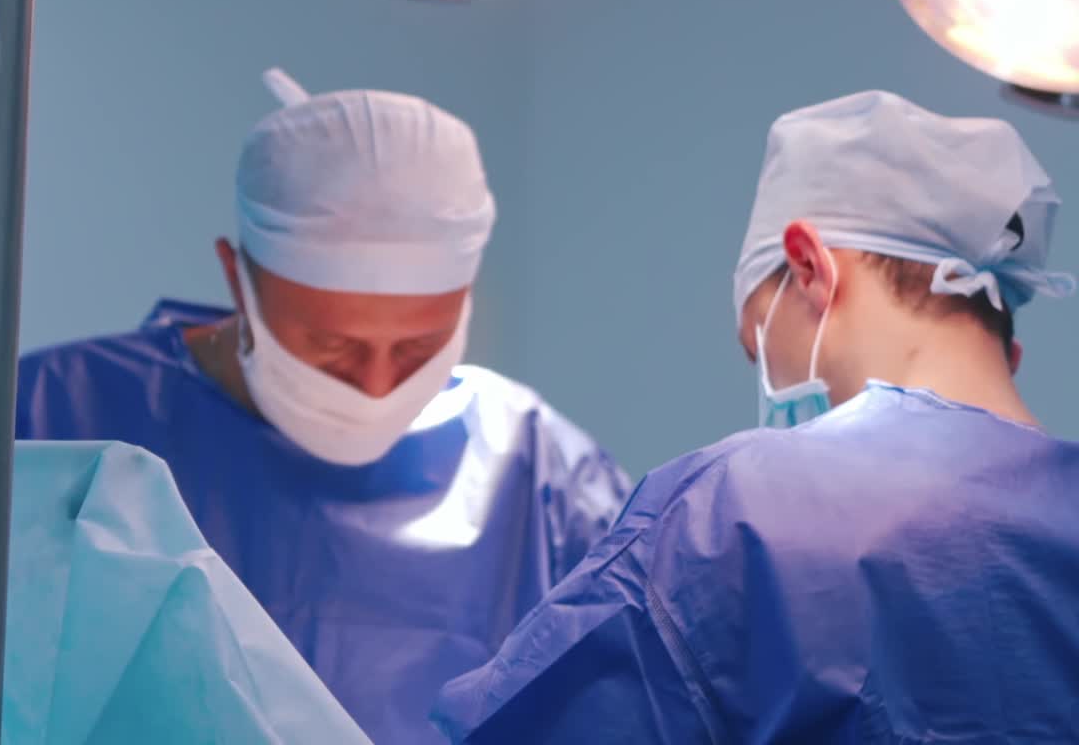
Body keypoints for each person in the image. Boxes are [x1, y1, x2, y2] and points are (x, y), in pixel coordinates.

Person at [0, 67, 630, 745]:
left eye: (418, 346)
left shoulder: (543, 477)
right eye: (332, 346)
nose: (377, 384)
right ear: (238, 278)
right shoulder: (50, 422)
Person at [434, 90, 1079, 744]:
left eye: (759, 351)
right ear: (1007, 351)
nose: (772, 384)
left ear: (809, 266)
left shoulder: (741, 515)